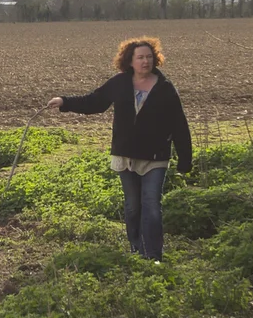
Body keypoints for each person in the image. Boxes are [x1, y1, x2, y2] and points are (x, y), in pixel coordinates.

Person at [47, 36, 191, 261]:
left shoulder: (165, 88)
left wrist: (185, 159)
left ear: (155, 60)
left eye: (149, 57)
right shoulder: (119, 83)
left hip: (155, 158)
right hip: (125, 156)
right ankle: (136, 251)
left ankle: (153, 257)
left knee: (152, 206)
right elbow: (94, 102)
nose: (145, 61)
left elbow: (179, 124)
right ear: (130, 61)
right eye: (140, 57)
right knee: (133, 208)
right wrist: (65, 102)